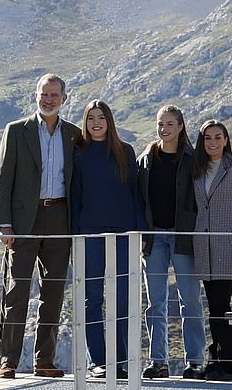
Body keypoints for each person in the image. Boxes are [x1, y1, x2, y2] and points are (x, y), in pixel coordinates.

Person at [0, 73, 81, 379]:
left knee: (54, 293)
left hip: (60, 218)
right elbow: (3, 179)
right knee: (16, 291)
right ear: (36, 96)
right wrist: (4, 224)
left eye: (54, 95)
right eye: (44, 94)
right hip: (22, 222)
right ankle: (8, 361)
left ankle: (45, 361)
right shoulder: (17, 131)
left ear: (64, 99)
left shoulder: (73, 135)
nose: (48, 99)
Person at [70, 99, 147, 379]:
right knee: (92, 299)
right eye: (91, 118)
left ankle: (122, 361)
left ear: (109, 121)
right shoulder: (78, 153)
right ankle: (98, 362)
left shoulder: (125, 151)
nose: (96, 123)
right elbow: (75, 196)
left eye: (101, 117)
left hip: (125, 234)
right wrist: (75, 236)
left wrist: (140, 233)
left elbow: (136, 193)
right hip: (89, 236)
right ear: (85, 122)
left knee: (124, 299)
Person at [137, 105, 206, 379]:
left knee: (190, 299)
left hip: (183, 237)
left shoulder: (192, 159)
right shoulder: (145, 159)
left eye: (169, 124)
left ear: (180, 127)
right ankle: (158, 362)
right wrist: (142, 232)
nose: (163, 129)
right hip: (154, 238)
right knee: (156, 302)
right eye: (160, 124)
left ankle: (195, 362)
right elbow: (139, 199)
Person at [191, 119, 232, 382]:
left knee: (222, 306)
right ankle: (214, 360)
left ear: (226, 140)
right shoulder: (198, 170)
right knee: (213, 307)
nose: (213, 142)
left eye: (218, 137)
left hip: (228, 249)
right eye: (208, 138)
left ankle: (227, 364)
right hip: (204, 248)